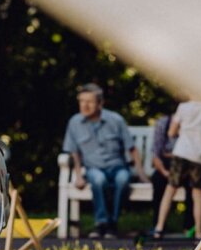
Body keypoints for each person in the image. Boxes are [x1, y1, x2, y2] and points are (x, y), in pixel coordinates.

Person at [62, 83, 144, 238]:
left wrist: (141, 174)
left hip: (117, 166)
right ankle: (101, 223)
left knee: (123, 179)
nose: (84, 105)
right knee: (98, 180)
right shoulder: (74, 122)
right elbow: (75, 153)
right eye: (82, 101)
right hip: (94, 168)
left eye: (90, 102)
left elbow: (131, 148)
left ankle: (113, 222)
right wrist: (78, 176)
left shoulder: (116, 120)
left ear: (100, 103)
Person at [150, 97, 201, 240]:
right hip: (200, 156)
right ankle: (199, 232)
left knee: (170, 190)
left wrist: (186, 132)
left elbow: (171, 133)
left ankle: (159, 228)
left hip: (181, 153)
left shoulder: (183, 107)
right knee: (197, 194)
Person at [150, 111, 195, 235]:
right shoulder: (163, 123)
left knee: (194, 186)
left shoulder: (192, 126)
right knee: (158, 181)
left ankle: (190, 226)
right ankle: (158, 225)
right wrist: (165, 172)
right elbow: (155, 154)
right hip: (168, 166)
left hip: (187, 166)